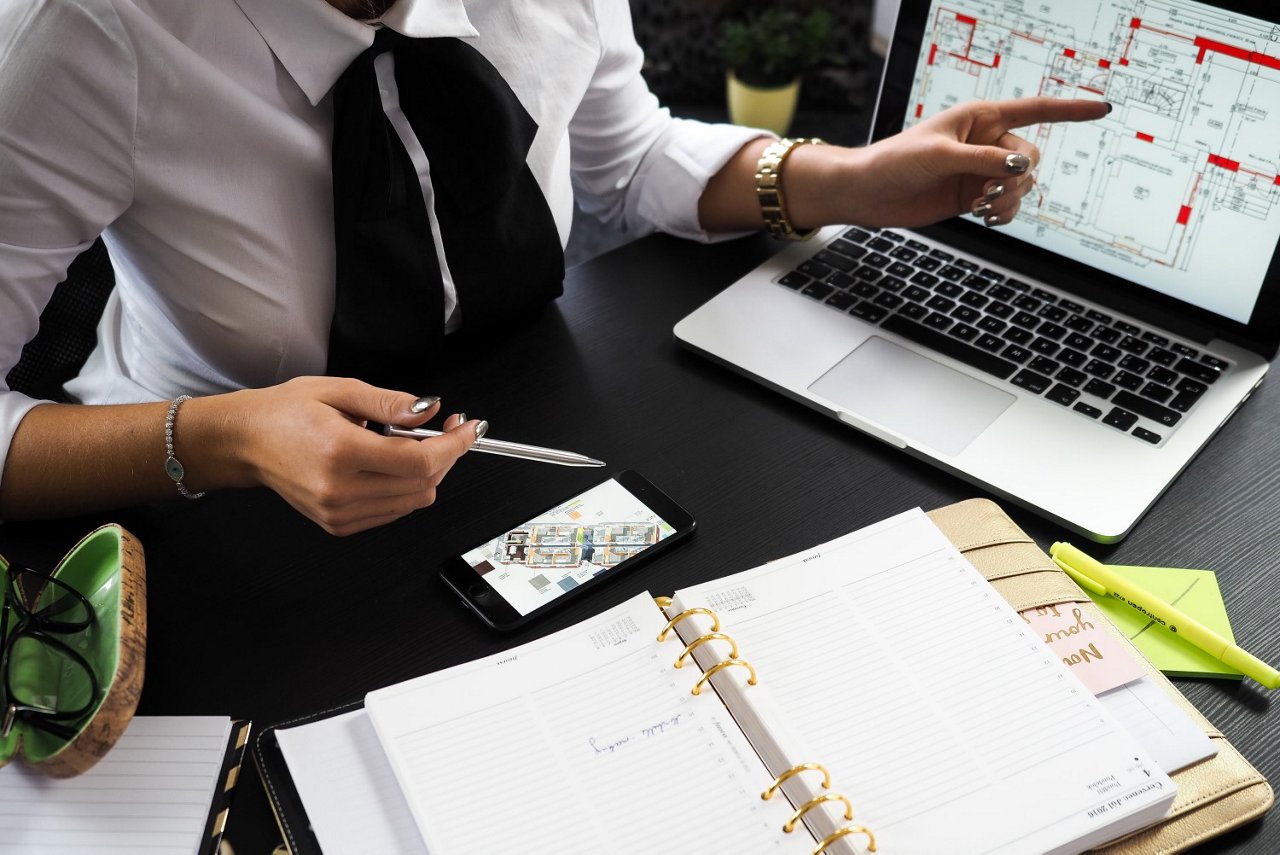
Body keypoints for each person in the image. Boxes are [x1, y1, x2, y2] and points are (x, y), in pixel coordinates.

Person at [0, 0, 1107, 535]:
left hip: (527, 412)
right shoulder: (80, 38)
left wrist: (838, 179)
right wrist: (226, 438)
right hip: (214, 503)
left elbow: (621, 156)